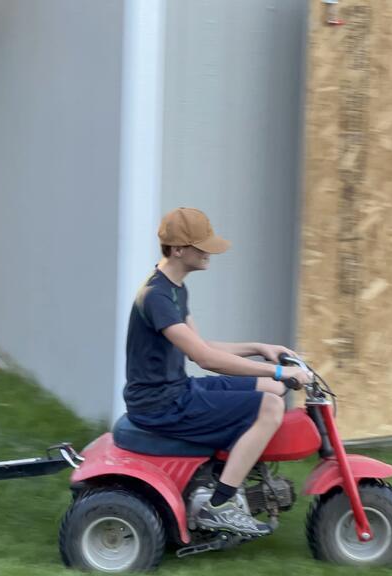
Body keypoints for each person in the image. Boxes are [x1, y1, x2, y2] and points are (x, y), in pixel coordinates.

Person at [123, 207, 313, 536]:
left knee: (271, 390)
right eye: (202, 246)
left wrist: (260, 348)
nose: (209, 252)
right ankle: (219, 505)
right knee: (271, 406)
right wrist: (279, 372)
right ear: (178, 249)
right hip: (160, 405)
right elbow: (206, 359)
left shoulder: (175, 289)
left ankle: (232, 475)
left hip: (177, 390)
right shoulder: (156, 297)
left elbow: (202, 346)